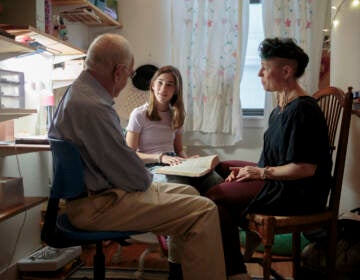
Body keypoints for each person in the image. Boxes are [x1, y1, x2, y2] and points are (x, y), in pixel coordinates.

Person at [48, 33, 226, 280]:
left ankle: (179, 272)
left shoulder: (78, 94)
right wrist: (153, 170)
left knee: (191, 193)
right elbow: (135, 178)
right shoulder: (94, 107)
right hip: (98, 206)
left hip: (101, 195)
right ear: (119, 72)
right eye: (130, 74)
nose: (126, 82)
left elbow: (123, 166)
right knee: (204, 210)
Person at [205, 37, 332, 280]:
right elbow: (271, 160)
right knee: (221, 169)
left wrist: (260, 173)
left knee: (214, 198)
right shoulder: (280, 109)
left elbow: (306, 168)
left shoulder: (303, 110)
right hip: (281, 182)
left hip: (299, 192)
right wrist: (245, 173)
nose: (259, 73)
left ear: (286, 71)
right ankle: (233, 269)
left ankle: (233, 270)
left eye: (265, 67)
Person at [126, 65, 223, 194]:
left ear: (176, 90)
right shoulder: (139, 114)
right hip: (151, 166)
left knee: (215, 181)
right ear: (153, 85)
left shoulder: (176, 115)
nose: (163, 89)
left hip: (175, 163)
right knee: (182, 189)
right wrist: (160, 158)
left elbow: (179, 150)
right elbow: (129, 154)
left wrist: (188, 160)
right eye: (160, 83)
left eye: (169, 85)